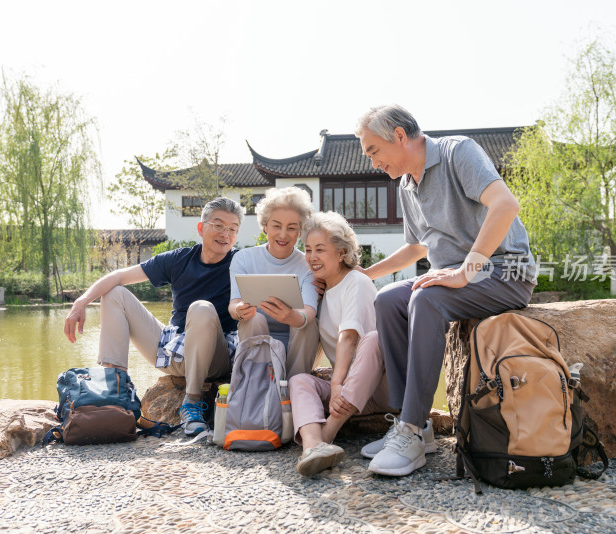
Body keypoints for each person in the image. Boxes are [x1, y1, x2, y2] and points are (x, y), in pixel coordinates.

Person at [355, 105, 537, 476]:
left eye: (373, 150)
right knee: (388, 300)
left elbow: (506, 205)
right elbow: (418, 247)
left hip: (504, 270)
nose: (372, 162)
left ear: (400, 137)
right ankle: (414, 427)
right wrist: (366, 273)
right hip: (456, 272)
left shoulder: (458, 152)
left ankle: (410, 428)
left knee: (428, 297)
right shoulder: (407, 185)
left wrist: (465, 272)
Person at [64, 197, 245, 436]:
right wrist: (82, 300)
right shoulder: (179, 259)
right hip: (174, 351)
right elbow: (118, 276)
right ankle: (115, 388)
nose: (225, 234)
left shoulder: (241, 262)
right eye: (219, 225)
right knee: (114, 293)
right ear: (201, 228)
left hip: (214, 357)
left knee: (201, 308)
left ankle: (191, 403)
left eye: (232, 229)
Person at [289, 211, 395, 476]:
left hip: (381, 387)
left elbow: (349, 337)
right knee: (300, 381)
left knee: (373, 339)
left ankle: (326, 435)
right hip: (351, 390)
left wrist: (336, 385)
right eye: (308, 249)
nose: (312, 257)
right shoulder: (322, 291)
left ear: (341, 252)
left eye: (320, 249)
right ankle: (312, 447)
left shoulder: (356, 282)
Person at [228, 186, 319, 379]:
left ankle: (295, 388)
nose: (283, 234)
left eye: (292, 228)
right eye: (276, 226)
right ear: (265, 226)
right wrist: (239, 310)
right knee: (254, 318)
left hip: (295, 349)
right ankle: (258, 385)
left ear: (300, 231)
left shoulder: (307, 264)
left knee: (308, 324)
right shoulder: (244, 258)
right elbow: (233, 304)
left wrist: (292, 316)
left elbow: (309, 310)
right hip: (256, 345)